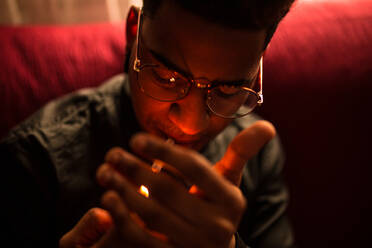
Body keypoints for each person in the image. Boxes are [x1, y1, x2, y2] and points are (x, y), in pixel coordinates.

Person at [0, 0, 296, 247]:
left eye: (228, 90)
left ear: (257, 67)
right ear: (133, 32)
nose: (191, 125)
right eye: (167, 77)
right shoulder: (35, 160)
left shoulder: (256, 157)